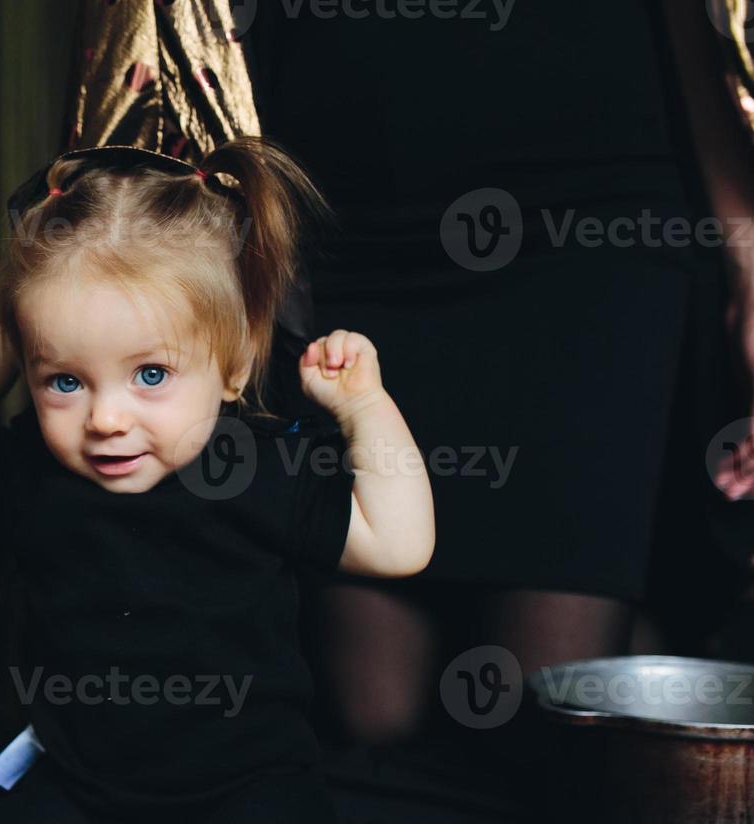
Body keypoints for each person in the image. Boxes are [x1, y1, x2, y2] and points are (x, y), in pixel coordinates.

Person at [0, 137, 434, 824]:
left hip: (244, 789)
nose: (107, 418)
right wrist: (14, 334)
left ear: (231, 365)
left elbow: (400, 548)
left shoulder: (251, 466)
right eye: (64, 381)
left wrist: (365, 408)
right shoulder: (38, 472)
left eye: (150, 374)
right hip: (84, 785)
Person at [243, 0, 754, 742]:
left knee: (536, 700)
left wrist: (746, 254)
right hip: (356, 220)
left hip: (587, 219)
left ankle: (659, 632)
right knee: (371, 707)